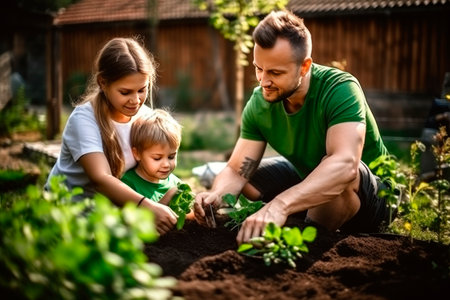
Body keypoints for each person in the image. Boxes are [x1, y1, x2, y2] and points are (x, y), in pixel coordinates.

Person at [194, 10, 391, 243]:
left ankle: (306, 238)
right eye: (259, 68)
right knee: (248, 177)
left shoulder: (339, 89)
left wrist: (281, 205)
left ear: (305, 66)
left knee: (339, 173)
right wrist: (216, 197)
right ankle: (295, 215)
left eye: (275, 72)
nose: (263, 81)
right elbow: (238, 170)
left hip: (375, 198)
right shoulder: (260, 103)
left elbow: (346, 165)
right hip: (308, 177)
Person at [45, 37, 178, 234]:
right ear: (103, 83)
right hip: (71, 214)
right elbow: (101, 178)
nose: (136, 100)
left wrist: (176, 194)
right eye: (125, 92)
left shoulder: (144, 116)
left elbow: (156, 162)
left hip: (115, 214)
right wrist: (147, 206)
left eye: (142, 90)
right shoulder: (84, 120)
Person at [121, 109, 183, 204]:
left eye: (171, 157)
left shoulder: (175, 183)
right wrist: (168, 197)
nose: (166, 164)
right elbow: (138, 217)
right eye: (157, 158)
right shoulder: (127, 184)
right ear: (137, 154)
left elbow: (188, 215)